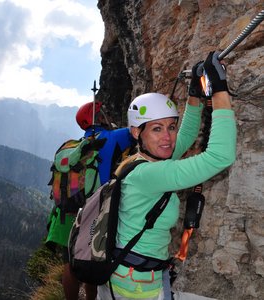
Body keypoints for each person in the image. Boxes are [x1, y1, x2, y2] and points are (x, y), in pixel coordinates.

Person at [96, 51, 236, 300]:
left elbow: (186, 136)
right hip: (137, 288)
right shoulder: (150, 174)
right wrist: (219, 89)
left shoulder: (141, 161)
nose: (167, 137)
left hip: (131, 277)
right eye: (157, 129)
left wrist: (195, 91)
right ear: (136, 133)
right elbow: (220, 156)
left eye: (170, 126)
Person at [46, 100, 136, 300]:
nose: (107, 115)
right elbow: (139, 132)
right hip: (94, 210)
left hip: (67, 211)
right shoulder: (113, 138)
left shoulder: (77, 146)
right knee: (93, 257)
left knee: (70, 263)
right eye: (103, 113)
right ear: (98, 118)